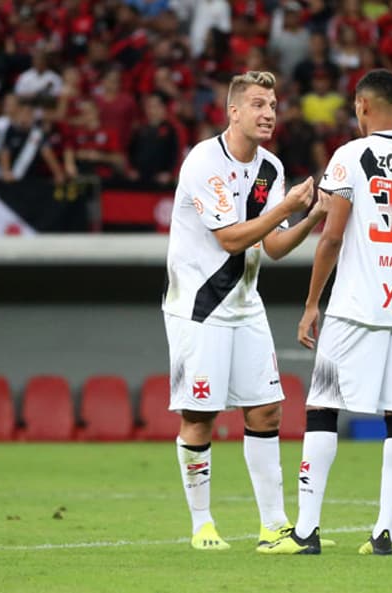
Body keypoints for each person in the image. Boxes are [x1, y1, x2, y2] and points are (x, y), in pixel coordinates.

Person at [280, 68, 392, 556]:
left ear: (360, 106)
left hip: (355, 307)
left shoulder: (350, 156)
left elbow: (332, 236)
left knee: (322, 407)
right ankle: (383, 534)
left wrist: (313, 302)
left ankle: (306, 532)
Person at [162, 70, 330, 552]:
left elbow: (272, 246)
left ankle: (273, 527)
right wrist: (286, 209)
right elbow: (230, 237)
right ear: (233, 111)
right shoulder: (203, 162)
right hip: (199, 307)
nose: (269, 113)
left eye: (273, 104)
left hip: (245, 304)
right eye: (257, 104)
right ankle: (202, 525)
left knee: (267, 411)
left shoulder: (271, 168)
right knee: (200, 414)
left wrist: (312, 215)